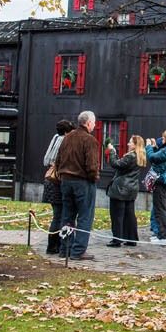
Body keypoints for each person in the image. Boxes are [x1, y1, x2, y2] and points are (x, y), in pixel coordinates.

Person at [55, 110, 102, 260]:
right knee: (85, 216)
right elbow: (92, 166)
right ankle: (78, 251)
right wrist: (93, 178)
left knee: (67, 215)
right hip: (83, 182)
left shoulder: (66, 138)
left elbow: (58, 160)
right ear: (88, 123)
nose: (94, 125)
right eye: (94, 123)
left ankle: (65, 249)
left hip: (65, 180)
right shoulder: (89, 140)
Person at [105, 135, 146, 246]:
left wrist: (112, 151)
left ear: (135, 145)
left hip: (121, 188)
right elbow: (123, 166)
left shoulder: (131, 156)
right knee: (130, 215)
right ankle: (131, 238)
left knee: (117, 215)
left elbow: (116, 164)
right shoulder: (140, 156)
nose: (128, 144)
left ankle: (117, 239)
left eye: (130, 142)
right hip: (132, 188)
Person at [41, 120, 73, 255]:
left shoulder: (54, 139)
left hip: (49, 181)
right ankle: (54, 245)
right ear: (66, 131)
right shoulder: (63, 141)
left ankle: (52, 245)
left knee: (57, 214)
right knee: (59, 216)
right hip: (57, 182)